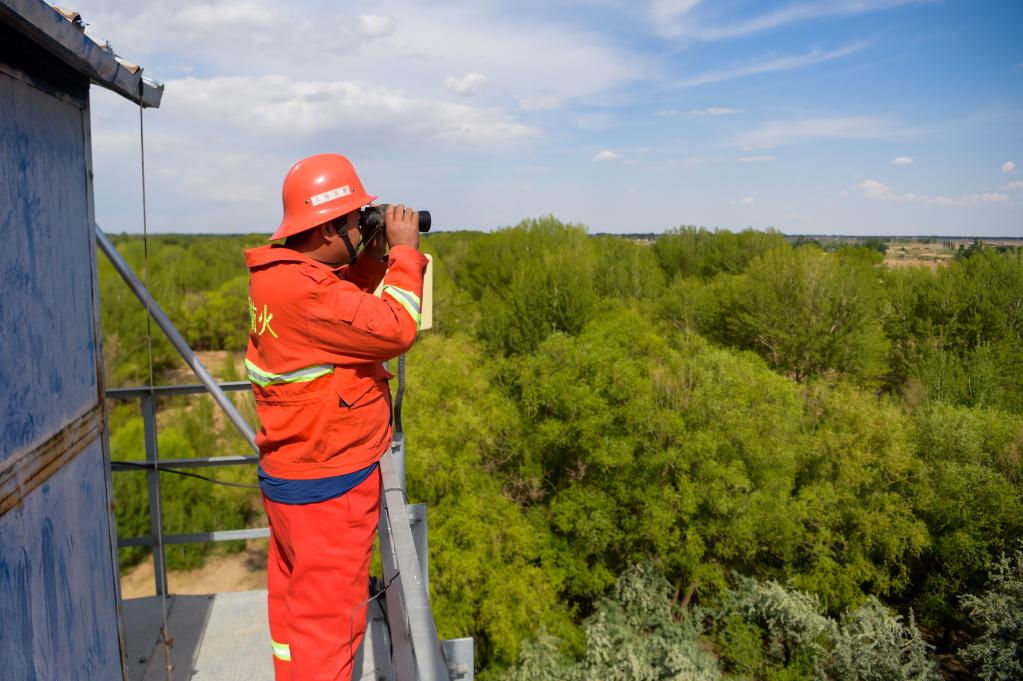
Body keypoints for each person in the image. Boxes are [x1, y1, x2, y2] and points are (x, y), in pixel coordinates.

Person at [244, 153, 427, 680]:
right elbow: (395, 327)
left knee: (294, 612)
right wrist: (404, 256)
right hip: (331, 489)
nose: (362, 225)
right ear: (327, 226)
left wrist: (370, 256)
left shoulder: (280, 278)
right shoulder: (307, 292)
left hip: (290, 475)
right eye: (356, 220)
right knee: (330, 630)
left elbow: (342, 303)